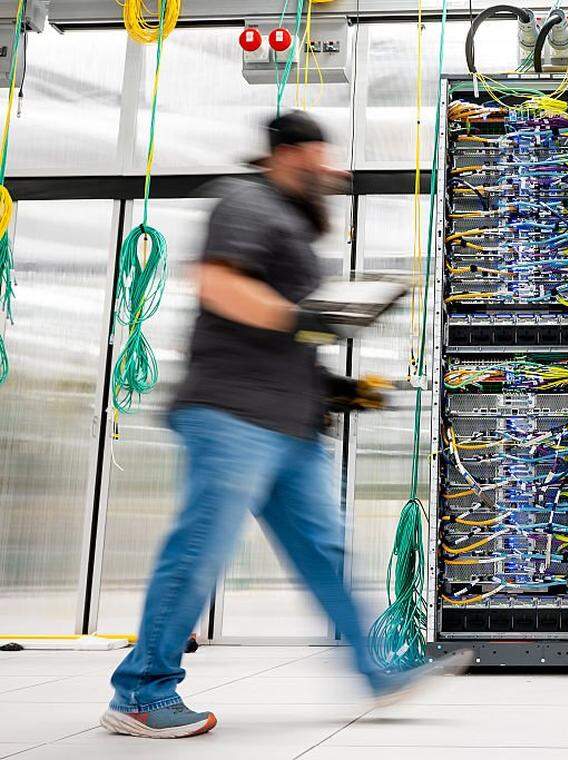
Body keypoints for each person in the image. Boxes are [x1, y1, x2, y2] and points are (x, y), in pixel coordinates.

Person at [101, 111, 468, 740]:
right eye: (325, 156)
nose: (336, 170)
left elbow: (291, 331)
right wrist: (303, 321)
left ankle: (378, 673)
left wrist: (340, 388)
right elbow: (218, 285)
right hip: (232, 413)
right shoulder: (247, 201)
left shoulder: (293, 226)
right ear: (292, 154)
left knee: (325, 553)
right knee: (200, 547)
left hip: (289, 422)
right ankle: (140, 692)